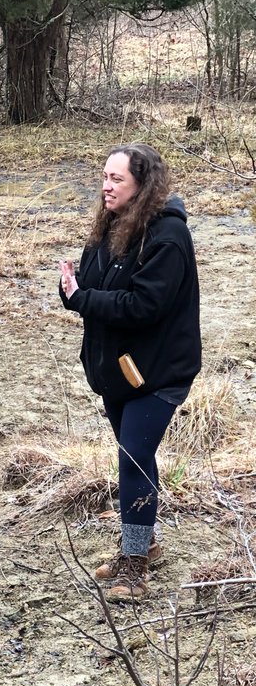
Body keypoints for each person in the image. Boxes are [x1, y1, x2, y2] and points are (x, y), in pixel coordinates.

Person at [59, 143, 200, 601]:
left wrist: (82, 298)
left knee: (134, 457)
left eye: (117, 179)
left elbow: (143, 306)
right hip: (118, 371)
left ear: (144, 186)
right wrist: (70, 291)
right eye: (104, 176)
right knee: (133, 454)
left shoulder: (168, 237)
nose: (106, 186)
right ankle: (145, 541)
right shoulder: (109, 228)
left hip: (160, 372)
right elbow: (91, 288)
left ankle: (135, 566)